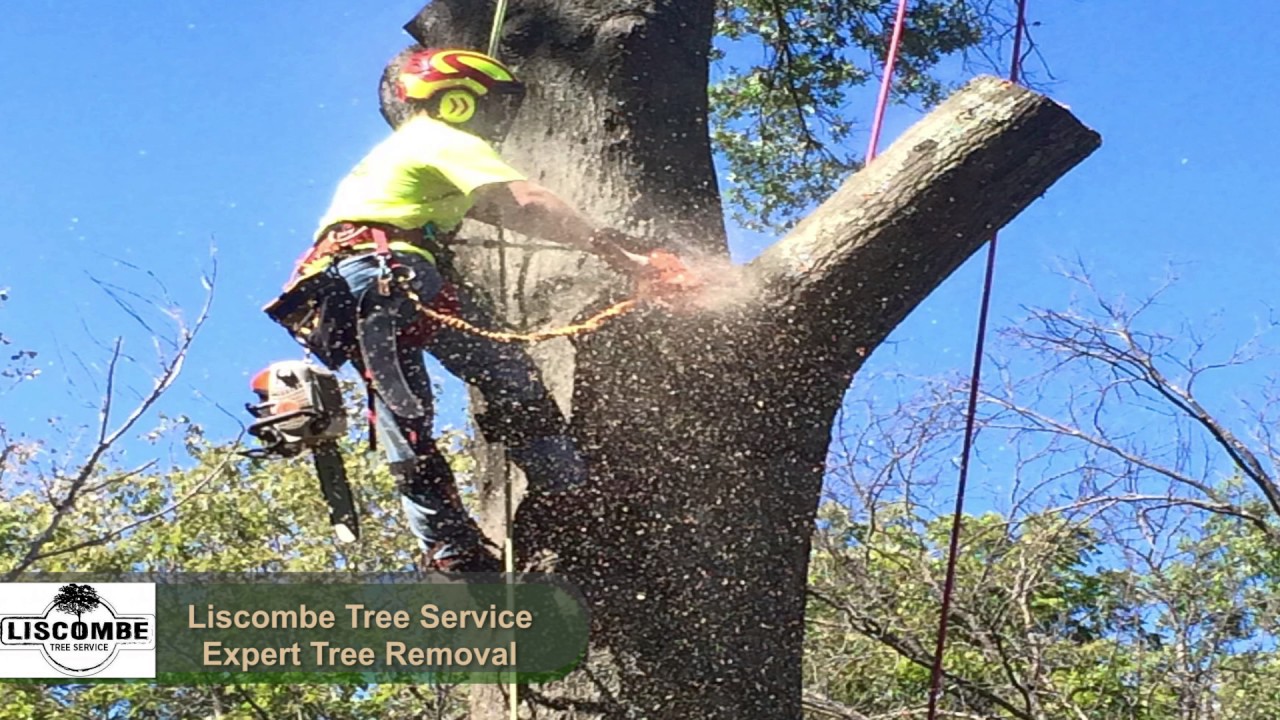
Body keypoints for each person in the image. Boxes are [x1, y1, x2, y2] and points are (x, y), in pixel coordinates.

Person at [263, 47, 650, 572]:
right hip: (385, 273)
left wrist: (594, 240)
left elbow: (501, 213)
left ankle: (452, 547)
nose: (497, 122)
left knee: (409, 413)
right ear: (459, 102)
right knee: (484, 379)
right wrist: (613, 251)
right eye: (490, 106)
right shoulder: (441, 138)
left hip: (351, 283)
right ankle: (565, 490)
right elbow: (527, 201)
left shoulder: (402, 153)